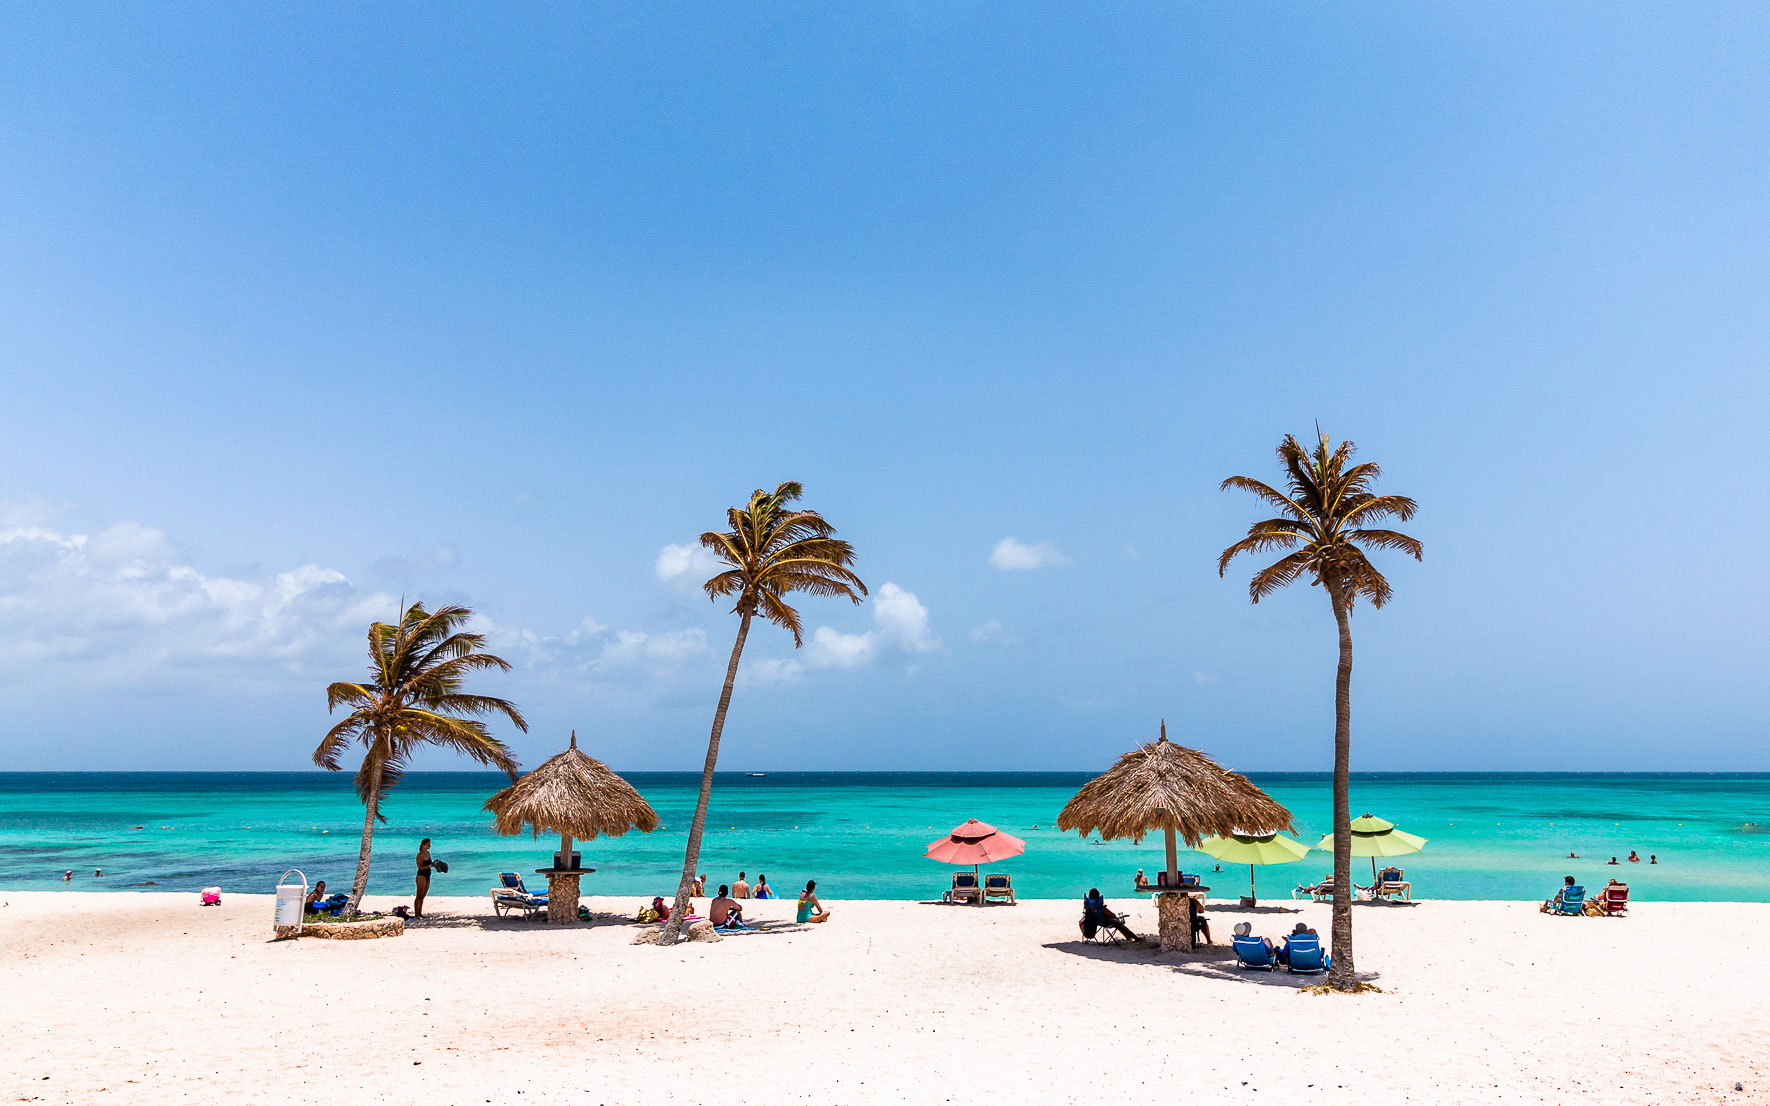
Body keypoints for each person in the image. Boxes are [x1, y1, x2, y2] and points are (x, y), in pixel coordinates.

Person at [414, 838, 435, 918]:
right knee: (419, 896)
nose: (429, 845)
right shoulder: (420, 855)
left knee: (423, 896)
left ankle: (420, 913)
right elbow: (420, 867)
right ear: (423, 844)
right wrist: (430, 866)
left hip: (428, 875)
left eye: (430, 844)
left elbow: (430, 863)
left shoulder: (428, 853)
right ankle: (416, 914)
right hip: (421, 876)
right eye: (428, 844)